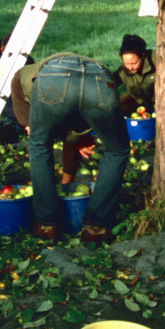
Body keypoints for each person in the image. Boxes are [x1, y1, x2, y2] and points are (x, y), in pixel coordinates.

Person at [11, 53, 130, 243]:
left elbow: (35, 130)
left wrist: (74, 138)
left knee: (39, 145)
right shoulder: (27, 77)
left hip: (54, 79)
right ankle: (96, 227)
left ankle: (46, 224)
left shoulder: (19, 78)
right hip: (101, 78)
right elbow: (72, 115)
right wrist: (77, 138)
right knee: (117, 150)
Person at [112, 34, 156, 115]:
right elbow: (109, 83)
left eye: (134, 63)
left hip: (159, 102)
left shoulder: (157, 60)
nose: (130, 67)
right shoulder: (123, 71)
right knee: (114, 108)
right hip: (138, 101)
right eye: (127, 63)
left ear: (142, 56)